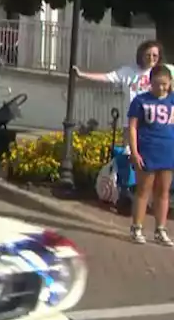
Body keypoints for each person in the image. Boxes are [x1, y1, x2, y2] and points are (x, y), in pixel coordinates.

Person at [126, 65, 174, 246]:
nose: (160, 88)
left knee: (163, 192)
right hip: (147, 150)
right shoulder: (140, 101)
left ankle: (160, 229)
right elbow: (132, 127)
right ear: (150, 83)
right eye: (156, 84)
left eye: (164, 84)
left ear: (169, 83)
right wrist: (134, 151)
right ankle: (137, 227)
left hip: (168, 150)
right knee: (144, 190)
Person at [75, 40, 174, 107]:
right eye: (148, 55)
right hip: (133, 119)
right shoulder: (128, 71)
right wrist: (82, 74)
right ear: (141, 55)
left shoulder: (166, 70)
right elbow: (107, 77)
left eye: (155, 55)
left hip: (156, 119)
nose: (151, 58)